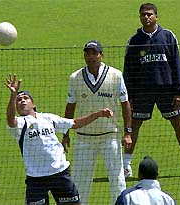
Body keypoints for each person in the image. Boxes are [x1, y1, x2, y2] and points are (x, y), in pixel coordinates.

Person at [5, 73, 114, 205]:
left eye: (25, 98)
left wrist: (99, 114)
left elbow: (74, 123)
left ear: (33, 104)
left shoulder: (48, 118)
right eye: (18, 99)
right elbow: (10, 120)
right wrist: (12, 94)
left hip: (60, 173)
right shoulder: (19, 124)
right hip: (36, 178)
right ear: (16, 107)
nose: (22, 100)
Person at [123, 3, 180, 179]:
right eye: (143, 14)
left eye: (150, 14)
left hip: (167, 92)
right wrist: (129, 97)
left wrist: (179, 92)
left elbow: (177, 65)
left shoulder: (168, 36)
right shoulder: (134, 40)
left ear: (156, 16)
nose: (147, 17)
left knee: (178, 124)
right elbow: (129, 71)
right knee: (134, 126)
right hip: (142, 92)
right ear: (140, 17)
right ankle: (126, 167)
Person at [62, 40, 132, 205]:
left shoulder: (116, 75)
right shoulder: (75, 78)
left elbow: (125, 104)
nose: (91, 57)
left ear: (102, 55)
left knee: (117, 179)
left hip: (110, 136)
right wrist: (65, 134)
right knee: (80, 182)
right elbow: (70, 107)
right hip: (84, 138)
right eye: (88, 53)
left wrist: (128, 133)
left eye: (95, 53)